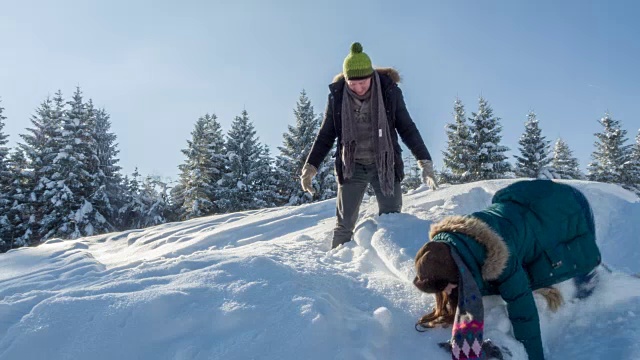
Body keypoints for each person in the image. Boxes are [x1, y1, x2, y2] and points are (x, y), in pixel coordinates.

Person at [413, 179, 601, 360]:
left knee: (581, 276)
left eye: (445, 285)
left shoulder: (499, 257)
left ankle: (599, 279)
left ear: (459, 272)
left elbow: (523, 311)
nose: (446, 291)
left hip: (569, 208)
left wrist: (534, 357)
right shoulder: (454, 245)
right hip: (534, 202)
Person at [301, 42, 438, 249]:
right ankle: (337, 268)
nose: (358, 88)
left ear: (371, 76)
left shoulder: (389, 92)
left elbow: (407, 128)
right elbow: (326, 134)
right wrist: (310, 167)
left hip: (384, 164)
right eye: (352, 83)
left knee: (393, 221)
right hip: (352, 166)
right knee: (344, 225)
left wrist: (424, 161)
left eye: (363, 82)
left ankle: (395, 261)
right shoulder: (337, 97)